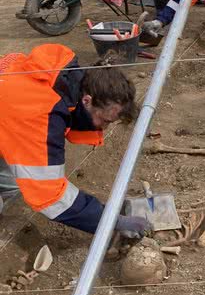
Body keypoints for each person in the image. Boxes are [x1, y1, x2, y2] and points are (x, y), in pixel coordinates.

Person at [0, 44, 151, 238]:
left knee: (16, 185)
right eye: (104, 120)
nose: (104, 128)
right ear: (87, 100)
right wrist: (113, 221)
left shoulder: (59, 81)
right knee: (28, 188)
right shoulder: (39, 114)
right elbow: (51, 196)